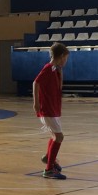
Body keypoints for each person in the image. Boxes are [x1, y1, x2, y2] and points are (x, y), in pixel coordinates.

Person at [34, 42, 70, 179]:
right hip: (47, 109)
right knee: (59, 137)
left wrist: (60, 72)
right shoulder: (48, 68)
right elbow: (36, 83)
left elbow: (59, 87)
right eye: (65, 58)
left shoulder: (55, 70)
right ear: (61, 56)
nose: (66, 61)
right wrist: (36, 103)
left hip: (53, 109)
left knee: (54, 136)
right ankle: (49, 169)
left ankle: (50, 158)